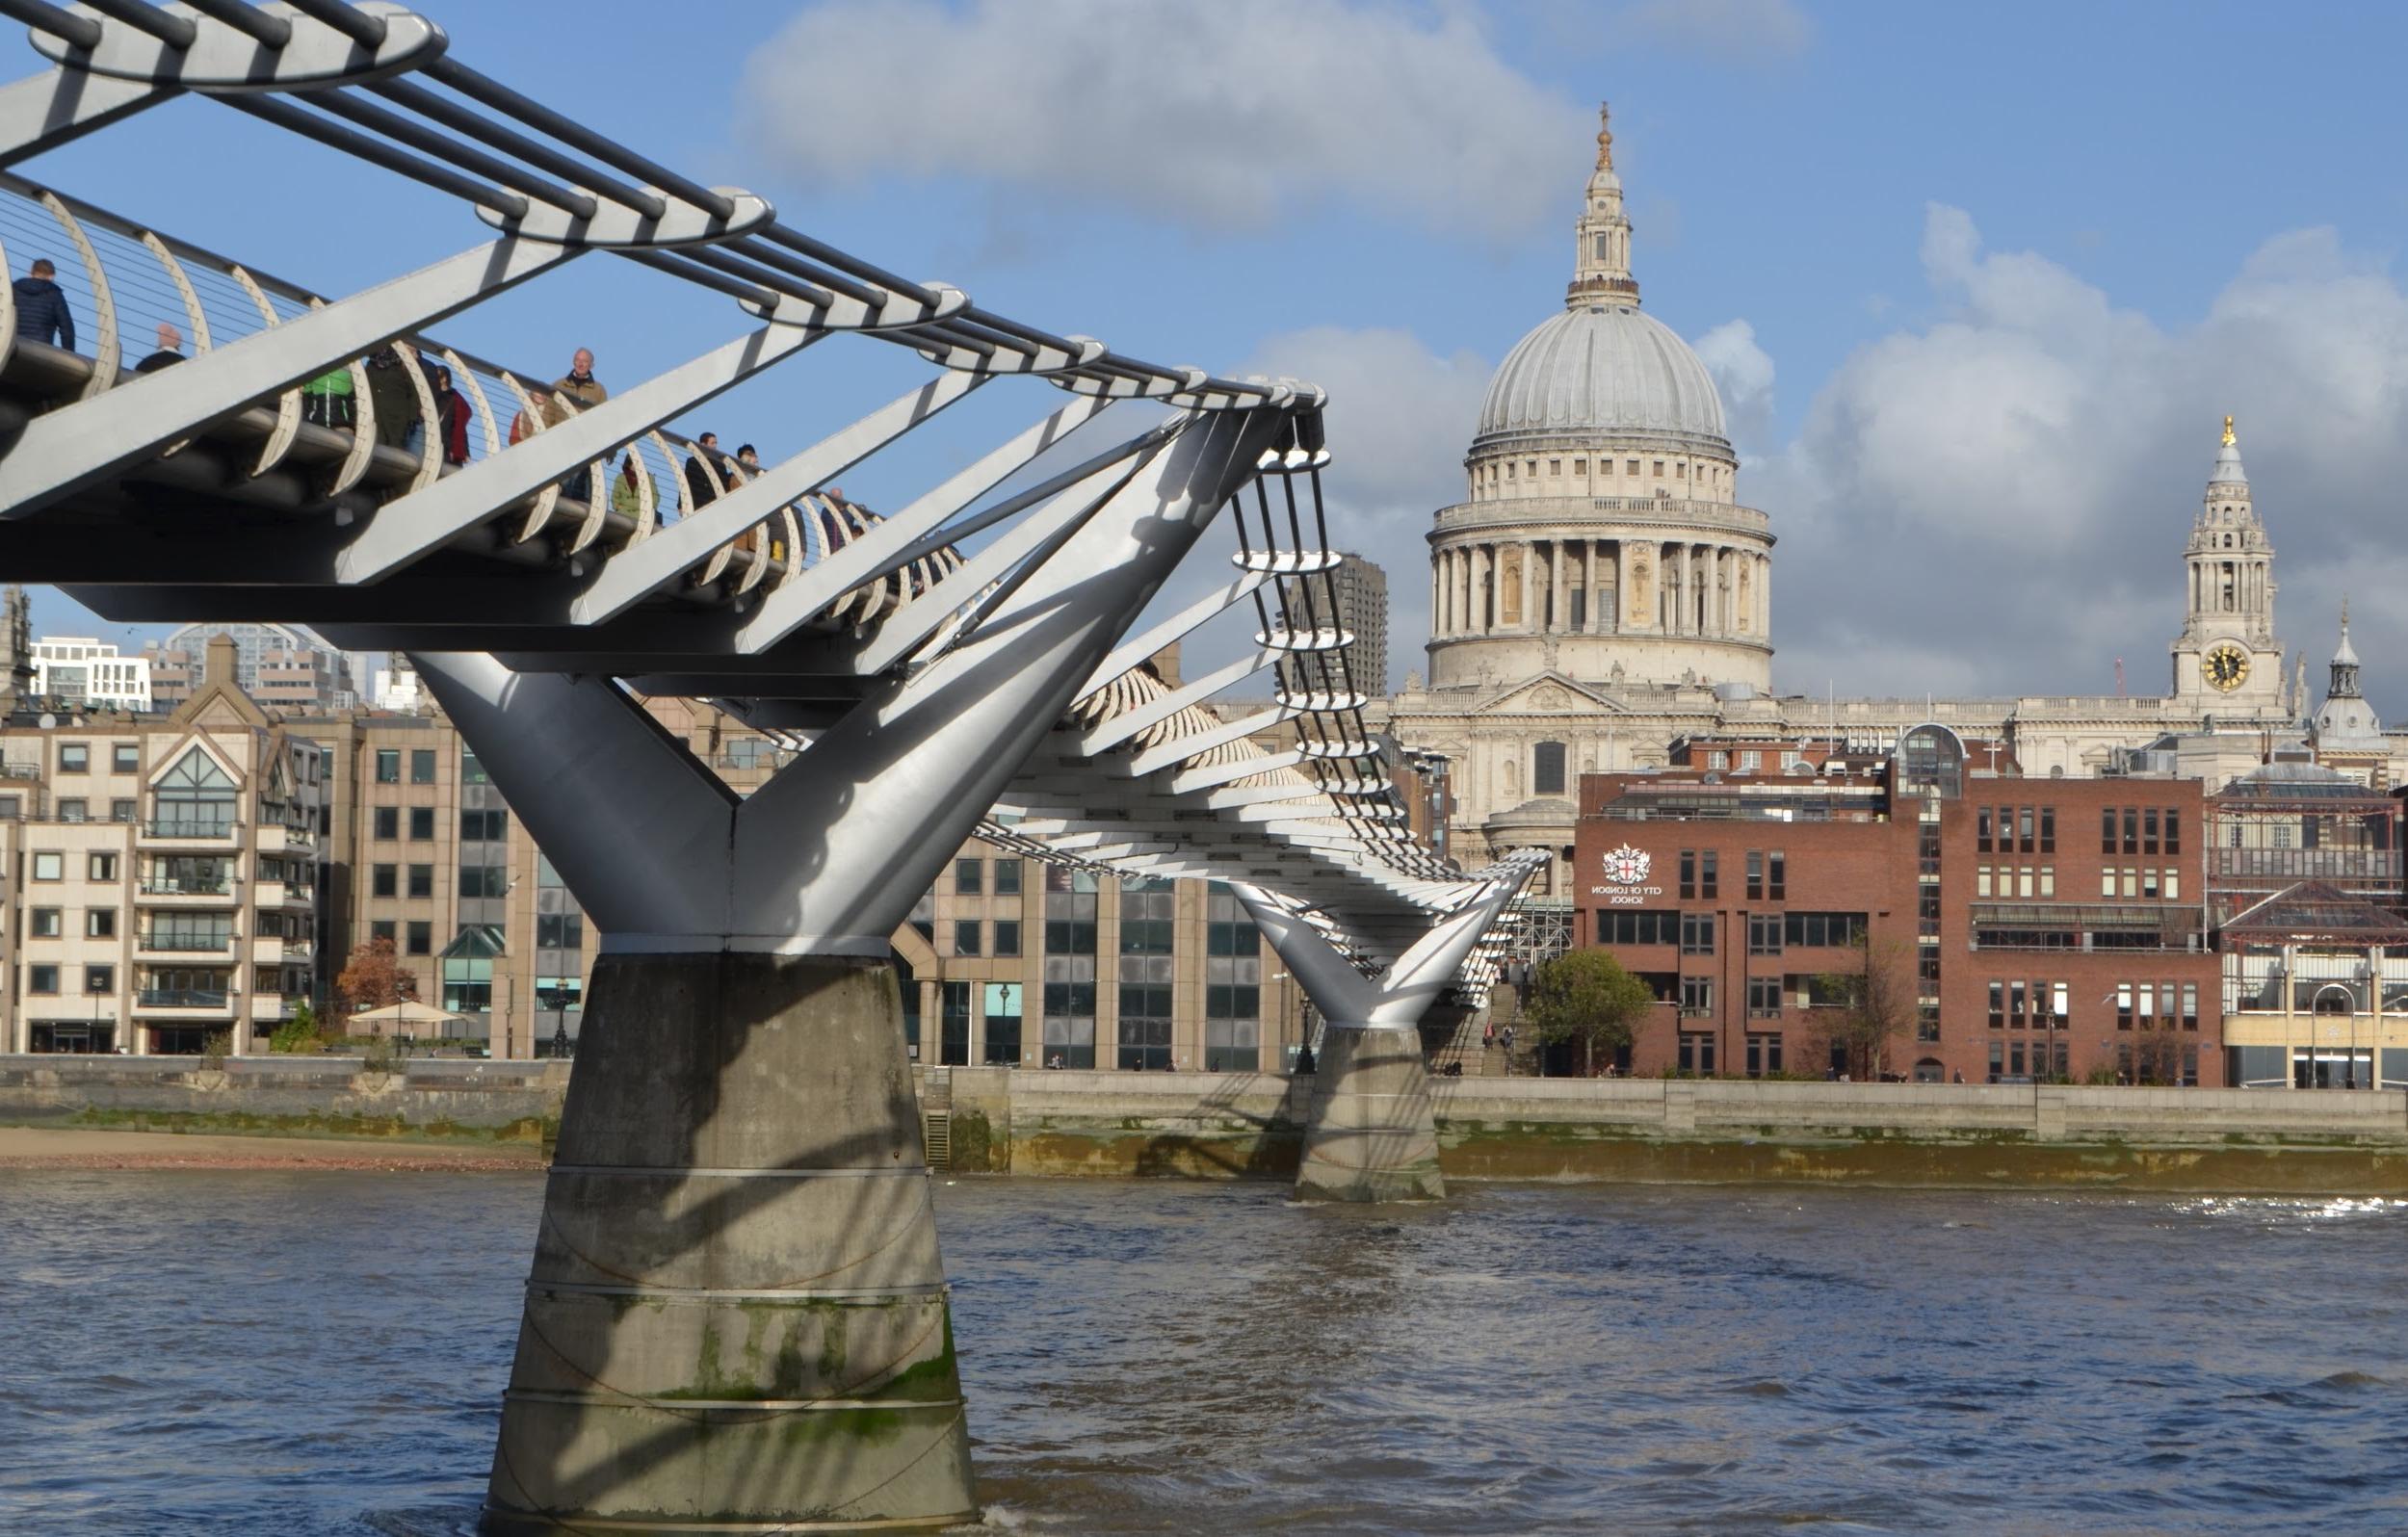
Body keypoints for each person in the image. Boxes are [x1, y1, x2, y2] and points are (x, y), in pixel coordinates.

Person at [13, 258, 73, 351]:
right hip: (41, 350)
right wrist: (69, 354)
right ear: (52, 276)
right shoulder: (54, 294)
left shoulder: (14, 289)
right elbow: (66, 329)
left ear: (31, 273)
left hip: (13, 345)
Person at [365, 347, 415, 449]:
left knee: (396, 447)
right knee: (378, 447)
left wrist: (412, 417)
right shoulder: (370, 365)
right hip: (376, 414)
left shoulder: (402, 365)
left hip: (398, 417)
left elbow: (413, 392)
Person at [546, 347, 606, 423]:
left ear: (591, 365)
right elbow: (548, 415)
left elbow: (603, 417)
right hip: (562, 432)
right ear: (573, 362)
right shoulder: (558, 385)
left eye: (585, 361)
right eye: (577, 360)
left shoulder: (598, 390)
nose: (580, 364)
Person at [430, 365, 473, 465]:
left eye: (437, 376)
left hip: (446, 446)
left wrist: (465, 451)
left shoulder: (454, 399)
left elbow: (460, 427)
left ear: (444, 379)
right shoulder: (434, 394)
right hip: (435, 441)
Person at [302, 360, 354, 429]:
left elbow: (304, 391)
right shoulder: (351, 368)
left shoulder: (313, 368)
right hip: (343, 422)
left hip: (315, 420)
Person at [683, 430, 727, 510]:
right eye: (712, 443)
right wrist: (681, 504)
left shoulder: (720, 464)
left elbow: (725, 485)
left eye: (716, 443)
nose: (715, 446)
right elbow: (686, 481)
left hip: (716, 503)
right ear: (703, 445)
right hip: (697, 503)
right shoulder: (692, 461)